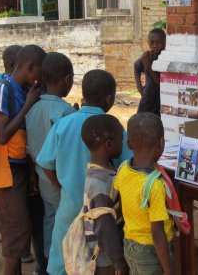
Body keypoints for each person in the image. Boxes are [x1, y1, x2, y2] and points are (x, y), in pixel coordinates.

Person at [36, 69, 132, 275]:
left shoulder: (64, 123)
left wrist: (61, 184)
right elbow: (127, 163)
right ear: (109, 98)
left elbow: (44, 162)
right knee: (98, 257)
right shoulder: (112, 128)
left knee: (64, 254)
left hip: (70, 204)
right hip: (103, 208)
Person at [0, 44, 46, 275]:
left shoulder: (21, 89)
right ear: (30, 67)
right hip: (4, 171)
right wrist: (28, 105)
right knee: (15, 236)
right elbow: (2, 135)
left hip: (18, 169)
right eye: (39, 74)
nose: (40, 80)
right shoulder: (2, 89)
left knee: (21, 232)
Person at [25, 52, 76, 269]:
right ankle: (61, 263)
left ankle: (44, 262)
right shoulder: (64, 112)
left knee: (49, 217)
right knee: (64, 224)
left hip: (41, 177)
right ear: (67, 79)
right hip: (59, 178)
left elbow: (29, 148)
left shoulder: (32, 108)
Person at [114, 112, 173, 275]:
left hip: (129, 243)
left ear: (128, 144)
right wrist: (169, 270)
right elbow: (157, 233)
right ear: (161, 144)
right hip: (149, 251)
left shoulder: (123, 169)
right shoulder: (154, 185)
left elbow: (122, 204)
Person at [80, 114, 129, 275]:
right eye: (121, 139)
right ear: (108, 144)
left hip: (106, 255)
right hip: (106, 259)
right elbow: (105, 228)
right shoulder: (100, 184)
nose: (124, 143)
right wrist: (118, 262)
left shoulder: (98, 170)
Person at [134, 28, 166, 116]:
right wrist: (139, 87)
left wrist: (148, 66)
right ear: (148, 43)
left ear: (165, 42)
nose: (155, 45)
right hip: (147, 99)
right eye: (152, 43)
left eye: (159, 42)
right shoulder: (148, 56)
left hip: (161, 100)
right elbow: (136, 66)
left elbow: (160, 83)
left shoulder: (166, 59)